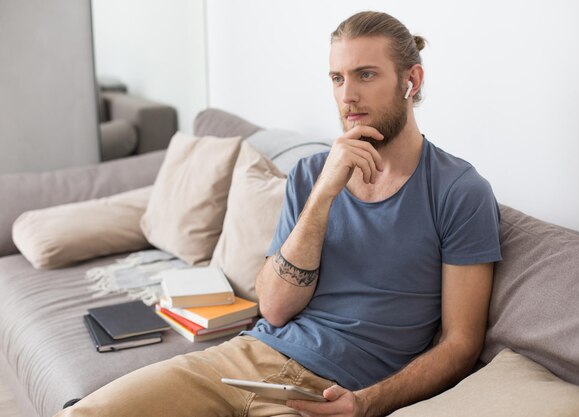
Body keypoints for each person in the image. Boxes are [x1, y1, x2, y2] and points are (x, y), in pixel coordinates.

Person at [58, 11, 501, 417]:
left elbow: (461, 344)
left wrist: (365, 404)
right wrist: (324, 194)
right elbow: (273, 308)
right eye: (337, 78)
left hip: (332, 393)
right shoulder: (312, 174)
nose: (348, 95)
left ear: (412, 80)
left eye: (366, 75)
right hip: (247, 358)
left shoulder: (459, 192)